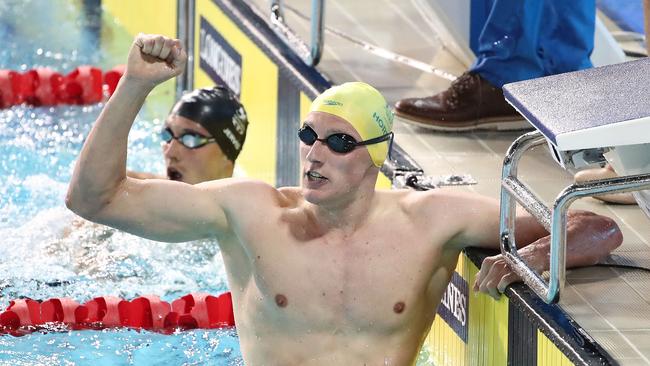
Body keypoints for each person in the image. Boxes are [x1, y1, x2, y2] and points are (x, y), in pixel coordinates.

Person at [66, 34, 622, 365]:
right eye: (309, 137)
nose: (314, 155)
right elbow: (94, 199)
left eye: (338, 142)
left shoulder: (431, 223)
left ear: (376, 157)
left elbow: (598, 226)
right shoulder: (250, 212)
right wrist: (134, 86)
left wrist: (530, 260)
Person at [394, 0, 595, 131]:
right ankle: (560, 75)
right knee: (565, 68)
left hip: (514, 75)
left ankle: (509, 77)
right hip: (565, 78)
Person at [128, 85, 248, 184]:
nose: (170, 153)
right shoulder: (151, 192)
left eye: (191, 139)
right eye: (168, 135)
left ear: (226, 157)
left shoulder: (250, 209)